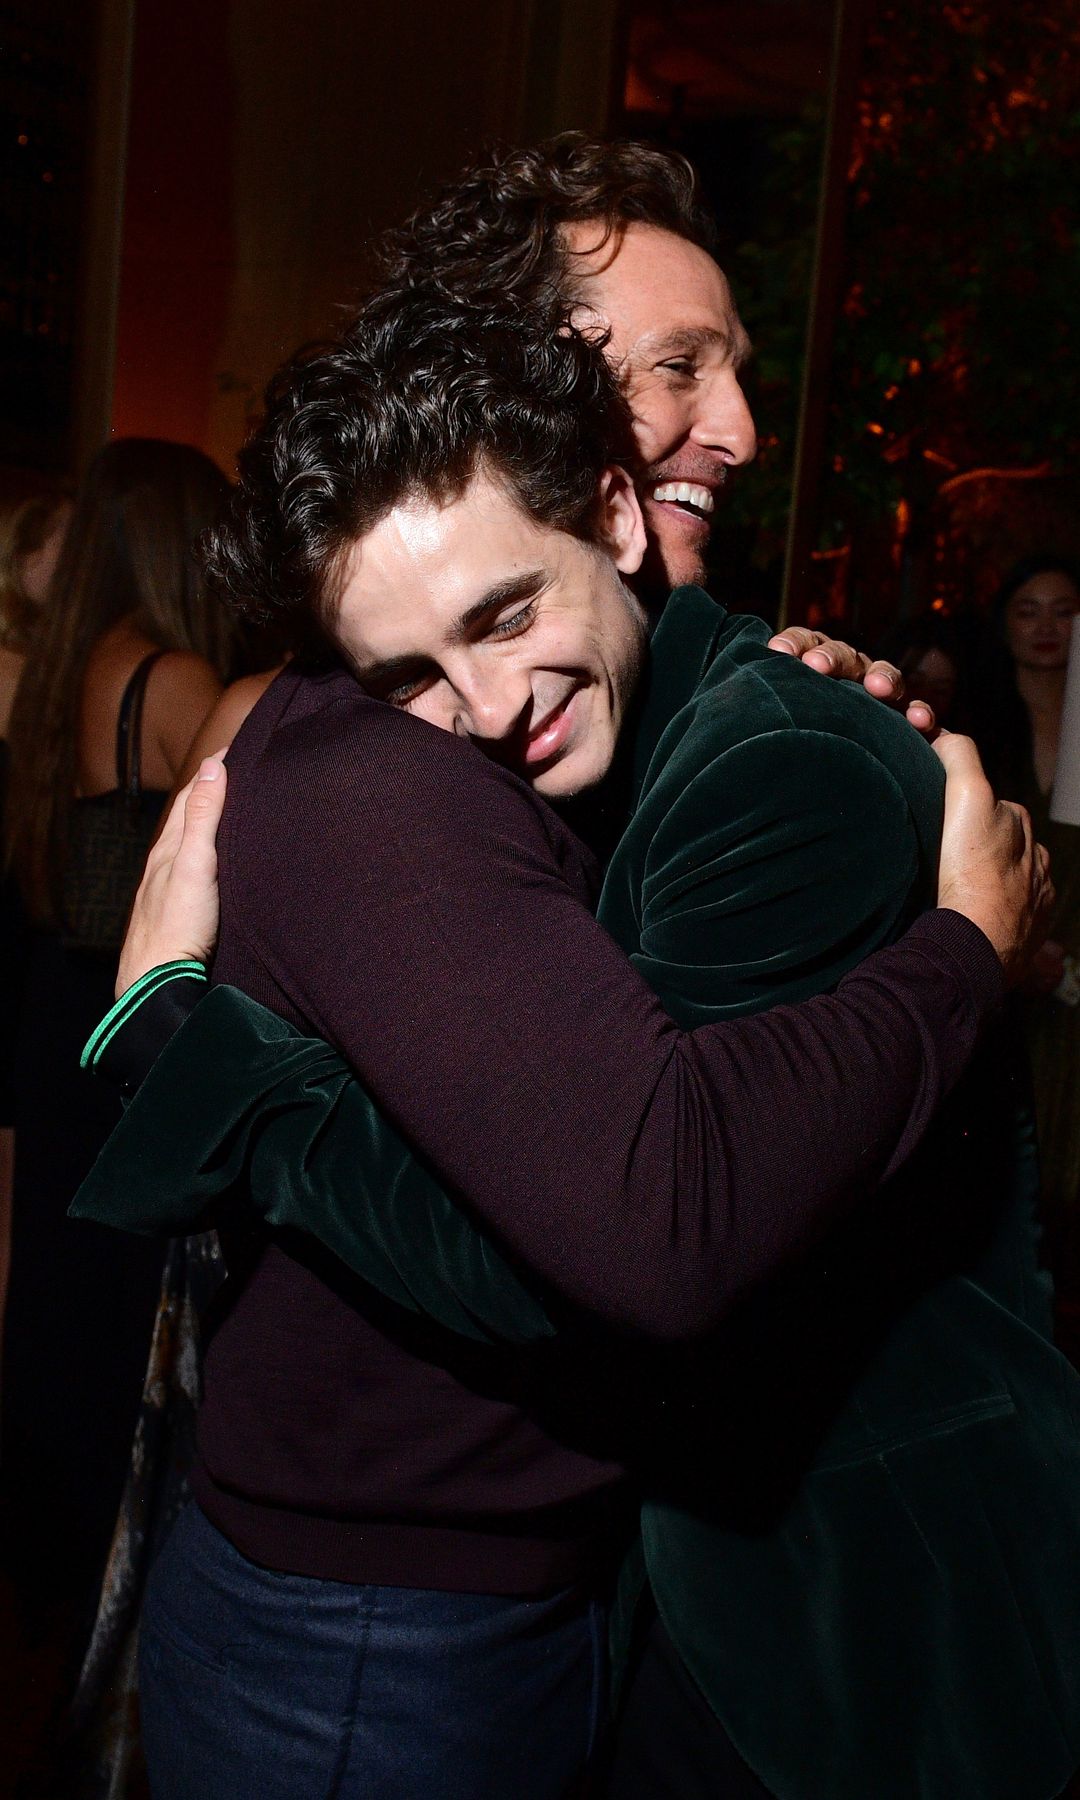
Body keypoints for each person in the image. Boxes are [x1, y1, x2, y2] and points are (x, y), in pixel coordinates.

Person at [73, 283, 1075, 1800]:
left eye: (505, 614)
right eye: (412, 672)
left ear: (611, 511)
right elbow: (644, 1229)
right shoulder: (387, 783)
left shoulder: (693, 740)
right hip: (372, 1634)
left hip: (501, 1602)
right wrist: (960, 961)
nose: (486, 709)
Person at [0, 439, 235, 1684]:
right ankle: (98, 1604)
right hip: (118, 1016)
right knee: (114, 1316)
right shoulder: (178, 676)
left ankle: (44, 1585)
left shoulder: (62, 673)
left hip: (50, 1004)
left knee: (53, 1295)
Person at [972, 555, 1080, 1367]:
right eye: (1028, 610)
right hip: (1008, 984)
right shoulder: (980, 725)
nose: (1047, 627)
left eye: (1065, 610)